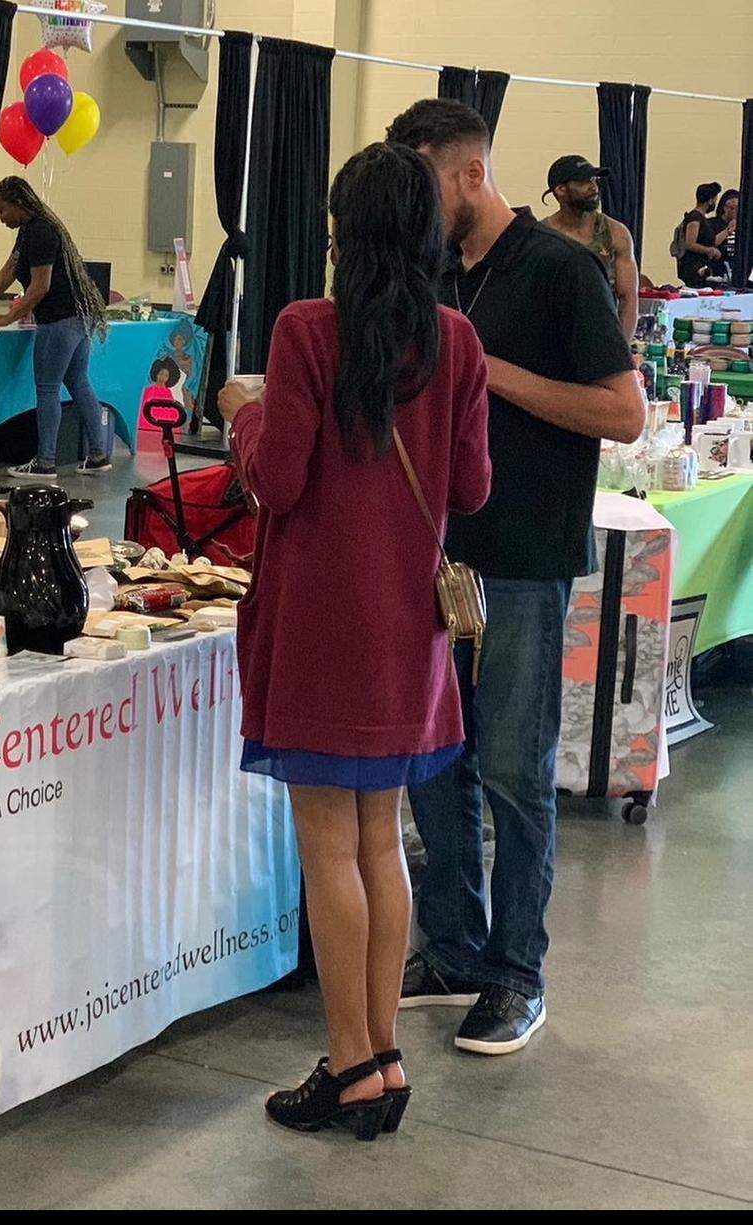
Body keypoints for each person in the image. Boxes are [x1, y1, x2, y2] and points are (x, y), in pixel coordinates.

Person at [216, 143, 492, 1137]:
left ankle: (350, 1061)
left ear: (342, 233)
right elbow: (470, 490)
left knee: (327, 843)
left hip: (320, 617)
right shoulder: (457, 341)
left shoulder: (304, 331)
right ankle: (381, 1053)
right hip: (408, 625)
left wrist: (244, 418)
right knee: (382, 840)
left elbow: (278, 481)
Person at [385, 99, 644, 1055]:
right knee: (435, 762)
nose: (415, 207)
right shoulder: (436, 272)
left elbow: (625, 414)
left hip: (529, 560)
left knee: (510, 769)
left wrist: (487, 372)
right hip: (441, 553)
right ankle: (450, 949)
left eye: (423, 185)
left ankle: (515, 971)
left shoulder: (561, 271)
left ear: (466, 175)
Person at [0, 177, 112, 481]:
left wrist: (10, 316)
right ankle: (98, 455)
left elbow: (40, 287)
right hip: (78, 317)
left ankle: (45, 462)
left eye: (2, 210)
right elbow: (10, 269)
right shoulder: (32, 229)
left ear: (19, 203)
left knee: (47, 387)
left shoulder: (41, 231)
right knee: (79, 382)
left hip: (60, 320)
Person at [541, 155, 639, 339]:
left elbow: (628, 299)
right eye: (583, 181)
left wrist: (621, 352)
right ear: (561, 190)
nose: (593, 187)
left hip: (601, 339)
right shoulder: (540, 237)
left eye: (594, 179)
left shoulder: (616, 234)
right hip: (552, 343)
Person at [677, 182, 723, 287]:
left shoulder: (701, 218)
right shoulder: (695, 218)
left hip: (702, 264)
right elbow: (690, 243)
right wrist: (709, 250)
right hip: (694, 267)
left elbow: (711, 240)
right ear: (710, 200)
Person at [705, 189, 739, 284]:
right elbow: (712, 242)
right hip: (717, 270)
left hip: (737, 269)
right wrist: (728, 229)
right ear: (724, 207)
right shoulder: (711, 224)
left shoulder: (743, 226)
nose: (734, 211)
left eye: (737, 208)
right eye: (731, 208)